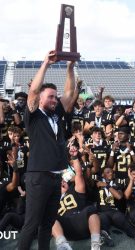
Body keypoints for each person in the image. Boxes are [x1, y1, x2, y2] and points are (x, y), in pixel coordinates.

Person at [18, 50, 76, 250]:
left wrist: (70, 68)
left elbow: (69, 94)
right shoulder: (33, 116)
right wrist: (46, 63)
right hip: (38, 177)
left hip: (55, 178)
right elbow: (33, 92)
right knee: (31, 224)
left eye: (55, 96)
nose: (54, 99)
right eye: (50, 97)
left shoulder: (56, 113)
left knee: (47, 224)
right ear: (40, 99)